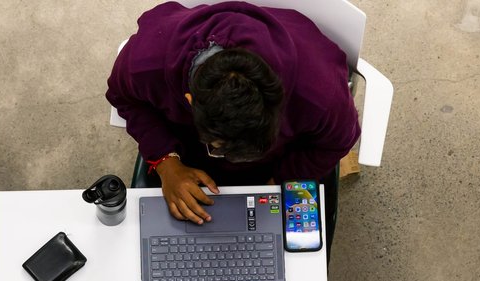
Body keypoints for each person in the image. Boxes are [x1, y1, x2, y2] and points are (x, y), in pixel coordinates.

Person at [107, 1, 360, 226]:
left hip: (278, 163)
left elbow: (337, 141)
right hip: (186, 155)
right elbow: (123, 97)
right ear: (189, 101)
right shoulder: (145, 64)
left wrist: (283, 178)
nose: (229, 160)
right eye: (218, 147)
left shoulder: (320, 95)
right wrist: (167, 163)